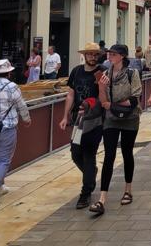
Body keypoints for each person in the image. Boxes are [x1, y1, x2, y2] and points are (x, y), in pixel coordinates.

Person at [90, 44, 142, 215]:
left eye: (113, 54)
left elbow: (134, 99)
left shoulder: (132, 73)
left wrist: (112, 104)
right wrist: (101, 87)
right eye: (109, 54)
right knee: (109, 155)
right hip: (111, 119)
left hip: (130, 118)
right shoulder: (105, 74)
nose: (110, 56)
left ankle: (128, 190)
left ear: (122, 56)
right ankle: (102, 199)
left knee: (127, 153)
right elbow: (103, 101)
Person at [59, 42, 104, 209]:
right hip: (78, 121)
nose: (93, 57)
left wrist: (93, 105)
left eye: (95, 54)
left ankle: (85, 194)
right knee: (75, 153)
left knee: (89, 154)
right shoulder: (76, 71)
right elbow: (71, 94)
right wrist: (65, 116)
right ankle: (90, 174)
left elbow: (104, 96)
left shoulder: (101, 72)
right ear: (84, 55)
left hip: (94, 120)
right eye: (90, 54)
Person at [0, 59, 30, 208]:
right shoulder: (12, 87)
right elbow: (21, 105)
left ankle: (0, 185)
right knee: (3, 161)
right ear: (9, 73)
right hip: (6, 128)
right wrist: (26, 119)